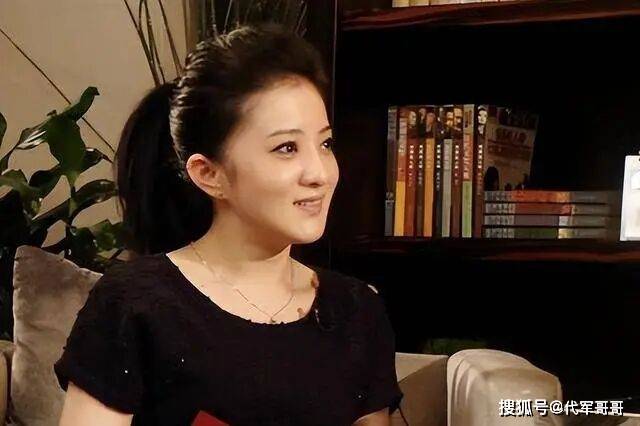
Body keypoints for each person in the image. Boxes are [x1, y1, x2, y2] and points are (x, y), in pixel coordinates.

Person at [54, 23, 403, 426]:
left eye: (325, 144)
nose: (320, 174)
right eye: (286, 148)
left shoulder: (356, 311)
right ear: (209, 174)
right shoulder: (134, 303)